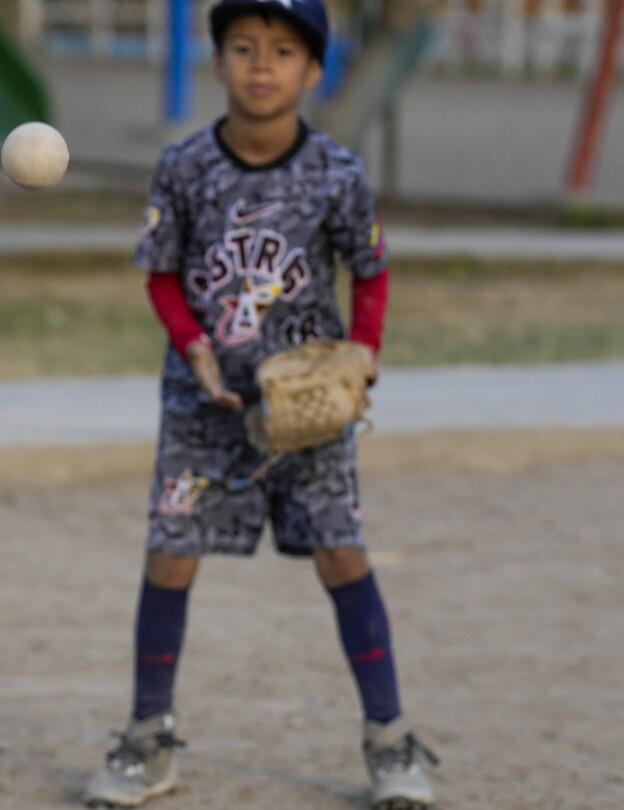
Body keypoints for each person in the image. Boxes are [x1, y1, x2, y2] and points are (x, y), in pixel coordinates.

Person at [82, 1, 439, 808]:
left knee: (342, 553)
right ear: (219, 62)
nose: (262, 64)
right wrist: (193, 346)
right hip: (203, 408)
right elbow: (162, 272)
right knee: (170, 555)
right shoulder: (183, 167)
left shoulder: (338, 173)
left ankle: (390, 741)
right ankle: (147, 739)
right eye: (243, 46)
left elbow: (371, 267)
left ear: (313, 71)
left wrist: (367, 356)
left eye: (283, 50)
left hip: (310, 405)